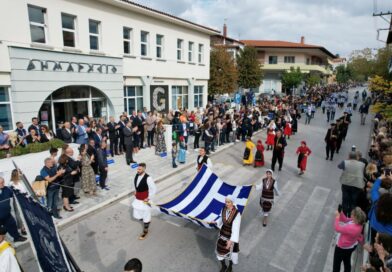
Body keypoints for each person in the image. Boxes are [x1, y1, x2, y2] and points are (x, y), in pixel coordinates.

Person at [332, 207, 366, 272]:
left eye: (352, 214)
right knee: (347, 262)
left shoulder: (351, 228)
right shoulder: (358, 223)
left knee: (336, 265)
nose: (351, 215)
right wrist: (341, 213)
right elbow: (345, 220)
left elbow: (337, 228)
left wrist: (337, 217)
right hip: (350, 246)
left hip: (341, 248)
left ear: (356, 217)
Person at [214, 195, 241, 272]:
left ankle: (230, 266)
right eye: (226, 202)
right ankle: (224, 266)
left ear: (232, 202)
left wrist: (231, 241)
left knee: (231, 253)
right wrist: (216, 221)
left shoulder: (237, 213)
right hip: (222, 234)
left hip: (230, 236)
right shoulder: (223, 209)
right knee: (219, 251)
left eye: (228, 202)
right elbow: (221, 218)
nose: (227, 203)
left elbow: (236, 228)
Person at [132, 163, 157, 240]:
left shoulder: (148, 178)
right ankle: (146, 221)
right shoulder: (137, 175)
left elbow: (154, 189)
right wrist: (136, 191)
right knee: (137, 213)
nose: (138, 170)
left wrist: (148, 198)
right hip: (137, 198)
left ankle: (145, 231)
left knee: (146, 214)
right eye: (137, 169)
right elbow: (137, 185)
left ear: (144, 169)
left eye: (139, 169)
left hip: (145, 200)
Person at [338, 152, 365, 216]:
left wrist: (347, 161)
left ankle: (344, 215)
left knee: (345, 199)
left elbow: (339, 166)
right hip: (357, 185)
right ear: (357, 157)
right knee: (353, 201)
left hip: (346, 184)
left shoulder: (345, 162)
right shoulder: (362, 164)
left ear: (349, 156)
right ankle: (351, 215)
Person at [0, 177, 26, 242]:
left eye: (3, 182)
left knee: (12, 224)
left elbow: (15, 195)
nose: (3, 184)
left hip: (6, 214)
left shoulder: (7, 189)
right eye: (1, 183)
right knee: (1, 233)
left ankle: (17, 237)